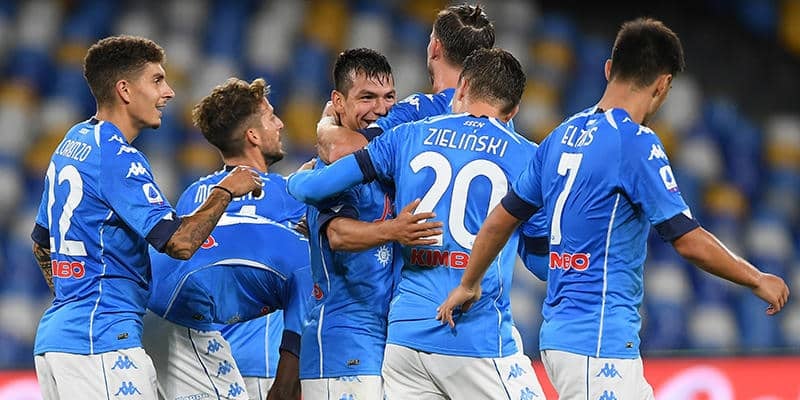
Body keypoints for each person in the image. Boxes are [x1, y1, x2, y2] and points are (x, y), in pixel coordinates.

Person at [437, 18, 791, 400]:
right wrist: (756, 278)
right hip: (597, 343)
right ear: (663, 85)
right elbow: (686, 240)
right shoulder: (634, 141)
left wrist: (468, 284)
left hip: (570, 337)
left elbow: (500, 221)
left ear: (608, 69)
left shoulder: (560, 136)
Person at [289, 48, 545, 399]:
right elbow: (541, 264)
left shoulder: (407, 136)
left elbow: (314, 187)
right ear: (514, 111)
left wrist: (295, 180)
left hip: (404, 342)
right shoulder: (528, 155)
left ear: (462, 87)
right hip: (474, 334)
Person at [29, 36, 263, 400]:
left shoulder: (73, 141)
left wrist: (77, 300)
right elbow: (180, 243)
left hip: (58, 343)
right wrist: (226, 190)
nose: (168, 92)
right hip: (103, 342)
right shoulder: (118, 157)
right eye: (157, 80)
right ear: (124, 90)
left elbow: (42, 244)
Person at [143, 77, 307, 400]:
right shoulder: (289, 194)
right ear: (253, 136)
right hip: (265, 363)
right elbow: (305, 274)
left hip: (202, 355)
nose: (280, 124)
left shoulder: (195, 196)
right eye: (271, 117)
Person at [300, 48, 444, 399]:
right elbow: (337, 234)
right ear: (338, 101)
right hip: (343, 339)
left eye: (389, 97)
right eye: (367, 97)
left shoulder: (382, 165)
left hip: (383, 338)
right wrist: (395, 230)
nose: (381, 109)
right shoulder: (334, 171)